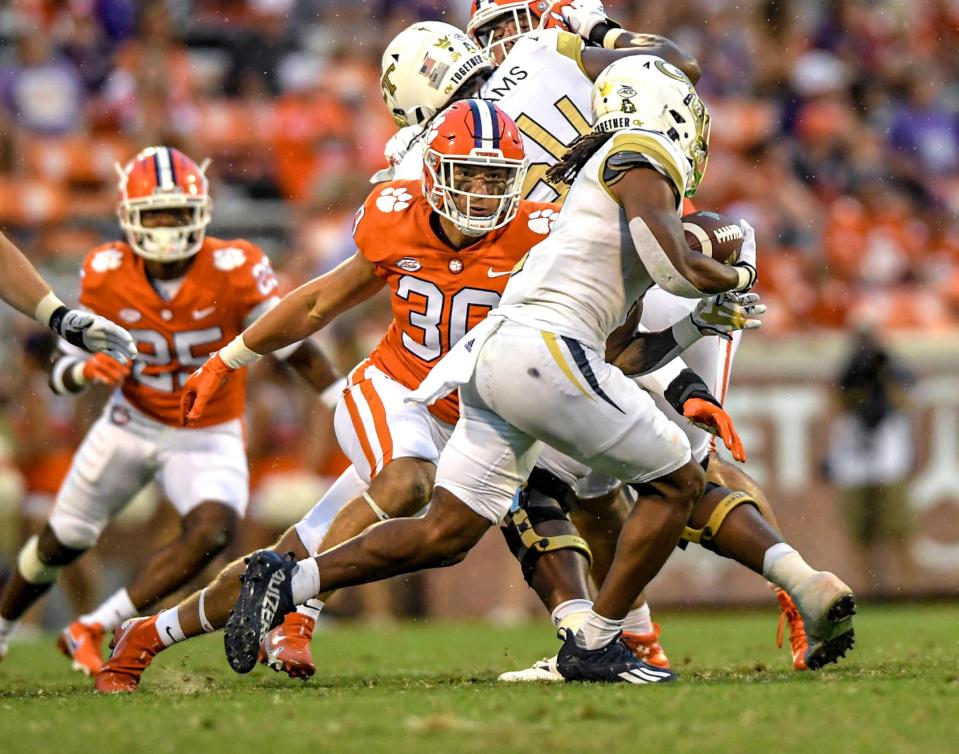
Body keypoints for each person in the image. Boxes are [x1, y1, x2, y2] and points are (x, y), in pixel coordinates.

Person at [221, 57, 855, 684]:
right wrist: (734, 277)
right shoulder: (638, 156)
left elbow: (624, 348)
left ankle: (288, 577)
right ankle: (603, 639)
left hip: (497, 356)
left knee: (448, 531)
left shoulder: (588, 181)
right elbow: (672, 264)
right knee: (677, 483)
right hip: (547, 353)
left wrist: (690, 360)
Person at [93, 99, 750, 692]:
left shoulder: (542, 232)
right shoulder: (395, 218)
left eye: (496, 178)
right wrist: (232, 355)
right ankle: (304, 609)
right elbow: (320, 300)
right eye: (467, 173)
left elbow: (602, 336)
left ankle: (148, 635)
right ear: (435, 171)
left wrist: (685, 380)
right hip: (396, 394)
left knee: (365, 538)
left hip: (476, 407)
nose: (481, 189)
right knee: (406, 485)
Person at [0, 146, 338, 673]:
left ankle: (97, 624)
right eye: (154, 213)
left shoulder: (236, 265)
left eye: (176, 212)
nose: (165, 225)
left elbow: (292, 342)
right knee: (61, 540)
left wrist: (338, 399)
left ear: (201, 210)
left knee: (213, 530)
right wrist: (88, 370)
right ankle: (1, 627)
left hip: (208, 428)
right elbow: (61, 374)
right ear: (129, 215)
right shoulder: (107, 270)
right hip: (130, 422)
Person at [825, 323, 916, 595]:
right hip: (854, 458)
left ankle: (908, 589)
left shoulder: (892, 369)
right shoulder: (847, 370)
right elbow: (835, 405)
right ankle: (869, 589)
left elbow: (903, 402)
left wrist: (884, 377)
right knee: (859, 531)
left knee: (898, 527)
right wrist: (854, 387)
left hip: (888, 459)